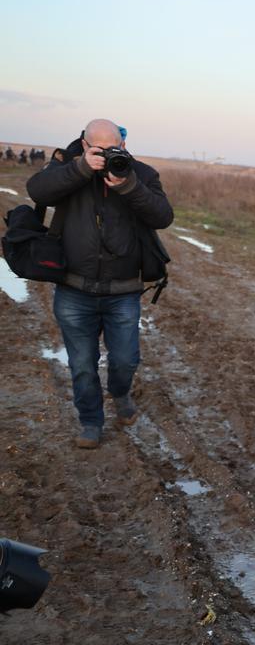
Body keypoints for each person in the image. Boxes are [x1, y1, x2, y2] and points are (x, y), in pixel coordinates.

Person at [25, 119, 173, 449]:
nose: (108, 155)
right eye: (99, 149)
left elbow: (163, 217)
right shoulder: (67, 166)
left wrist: (127, 184)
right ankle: (90, 422)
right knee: (81, 365)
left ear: (122, 144)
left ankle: (119, 392)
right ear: (84, 143)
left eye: (114, 149)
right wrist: (80, 168)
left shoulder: (141, 173)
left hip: (123, 291)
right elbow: (37, 191)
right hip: (73, 289)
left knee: (125, 360)